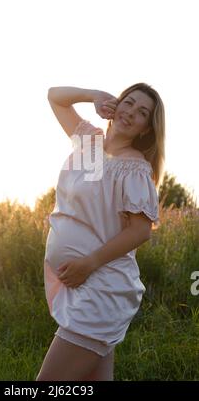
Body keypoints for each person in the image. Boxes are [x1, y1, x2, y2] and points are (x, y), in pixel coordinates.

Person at [36, 83, 165, 381]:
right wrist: (94, 95)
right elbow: (55, 97)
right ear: (116, 104)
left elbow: (139, 232)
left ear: (146, 128)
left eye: (142, 112)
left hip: (101, 288)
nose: (131, 113)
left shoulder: (135, 169)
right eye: (128, 103)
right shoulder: (89, 146)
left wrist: (88, 263)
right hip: (83, 286)